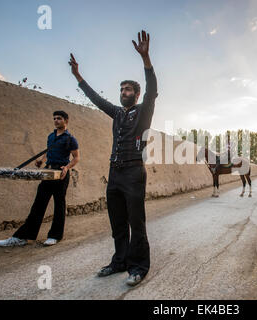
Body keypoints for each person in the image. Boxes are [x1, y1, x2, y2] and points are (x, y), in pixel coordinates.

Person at [69, 30, 157, 286]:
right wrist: (78, 76)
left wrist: (146, 59)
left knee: (136, 222)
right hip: (115, 173)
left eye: (128, 89)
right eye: (121, 88)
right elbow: (96, 99)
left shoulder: (144, 110)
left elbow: (152, 89)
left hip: (133, 172)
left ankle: (139, 266)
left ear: (136, 94)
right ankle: (119, 261)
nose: (123, 91)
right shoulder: (117, 113)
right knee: (117, 221)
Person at [0, 111, 80, 247]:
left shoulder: (70, 139)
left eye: (59, 118)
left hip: (61, 174)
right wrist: (41, 161)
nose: (56, 121)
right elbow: (49, 151)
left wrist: (67, 167)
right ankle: (23, 237)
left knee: (59, 206)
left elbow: (76, 157)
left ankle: (55, 236)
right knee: (38, 204)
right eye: (54, 118)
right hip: (48, 172)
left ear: (66, 120)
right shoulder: (51, 136)